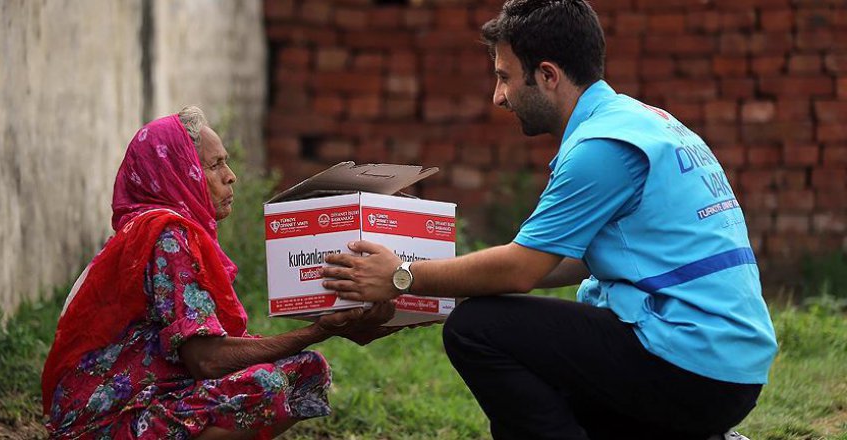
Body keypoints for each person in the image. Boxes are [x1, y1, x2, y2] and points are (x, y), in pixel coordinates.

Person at [321, 1, 778, 439]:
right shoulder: (645, 122)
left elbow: (521, 269)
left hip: (693, 363)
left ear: (547, 75)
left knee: (478, 329)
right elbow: (567, 260)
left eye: (504, 77)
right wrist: (442, 289)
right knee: (538, 367)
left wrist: (402, 276)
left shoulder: (601, 149)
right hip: (728, 364)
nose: (498, 97)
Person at [41, 106, 395, 439]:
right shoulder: (168, 236)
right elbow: (207, 361)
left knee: (302, 369)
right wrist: (317, 331)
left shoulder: (149, 231)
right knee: (275, 381)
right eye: (215, 165)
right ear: (180, 174)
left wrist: (335, 327)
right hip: (105, 423)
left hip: (114, 407)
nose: (231, 176)